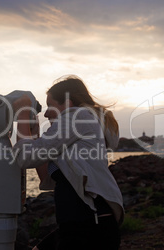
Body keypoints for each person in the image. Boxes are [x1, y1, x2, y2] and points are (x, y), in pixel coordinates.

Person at [12, 75, 124, 250]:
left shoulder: (78, 117)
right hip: (82, 223)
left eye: (50, 105)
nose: (46, 113)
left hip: (90, 225)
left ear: (68, 104)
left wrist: (22, 114)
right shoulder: (74, 134)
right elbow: (46, 178)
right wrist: (32, 131)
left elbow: (25, 157)